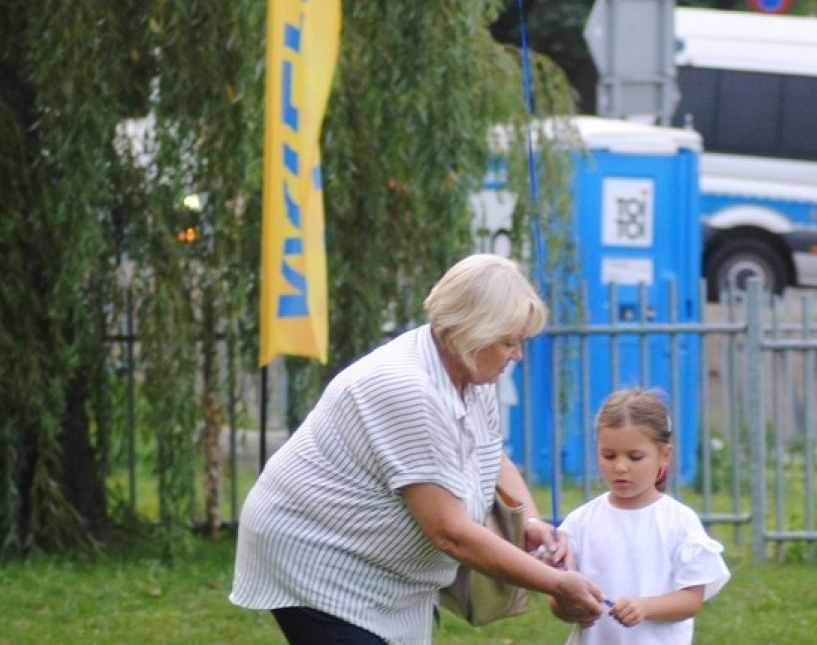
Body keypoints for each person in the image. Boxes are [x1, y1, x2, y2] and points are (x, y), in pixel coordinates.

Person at [230, 254, 606, 644]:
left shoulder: (470, 373)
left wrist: (530, 521)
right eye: (508, 342)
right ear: (471, 332)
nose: (517, 355)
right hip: (317, 558)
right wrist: (557, 583)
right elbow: (450, 533)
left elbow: (490, 454)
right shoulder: (409, 390)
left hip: (383, 569)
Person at [552, 388, 730, 644]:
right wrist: (571, 608)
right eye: (608, 455)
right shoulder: (579, 523)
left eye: (635, 457)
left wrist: (645, 607)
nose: (620, 466)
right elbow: (557, 596)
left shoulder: (679, 522)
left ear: (664, 455)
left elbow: (691, 600)